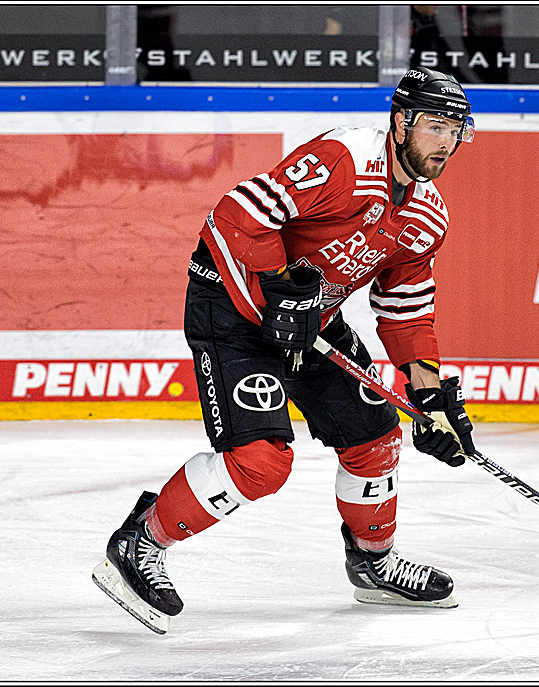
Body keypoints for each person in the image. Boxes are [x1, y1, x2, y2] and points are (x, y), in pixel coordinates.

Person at [92, 67, 479, 634]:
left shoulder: (428, 215)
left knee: (375, 438)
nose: (445, 143)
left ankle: (372, 563)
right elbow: (237, 211)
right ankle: (140, 541)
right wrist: (278, 287)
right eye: (434, 126)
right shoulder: (345, 159)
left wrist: (432, 394)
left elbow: (405, 306)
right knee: (261, 463)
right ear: (400, 122)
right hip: (233, 310)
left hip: (311, 324)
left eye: (456, 129)